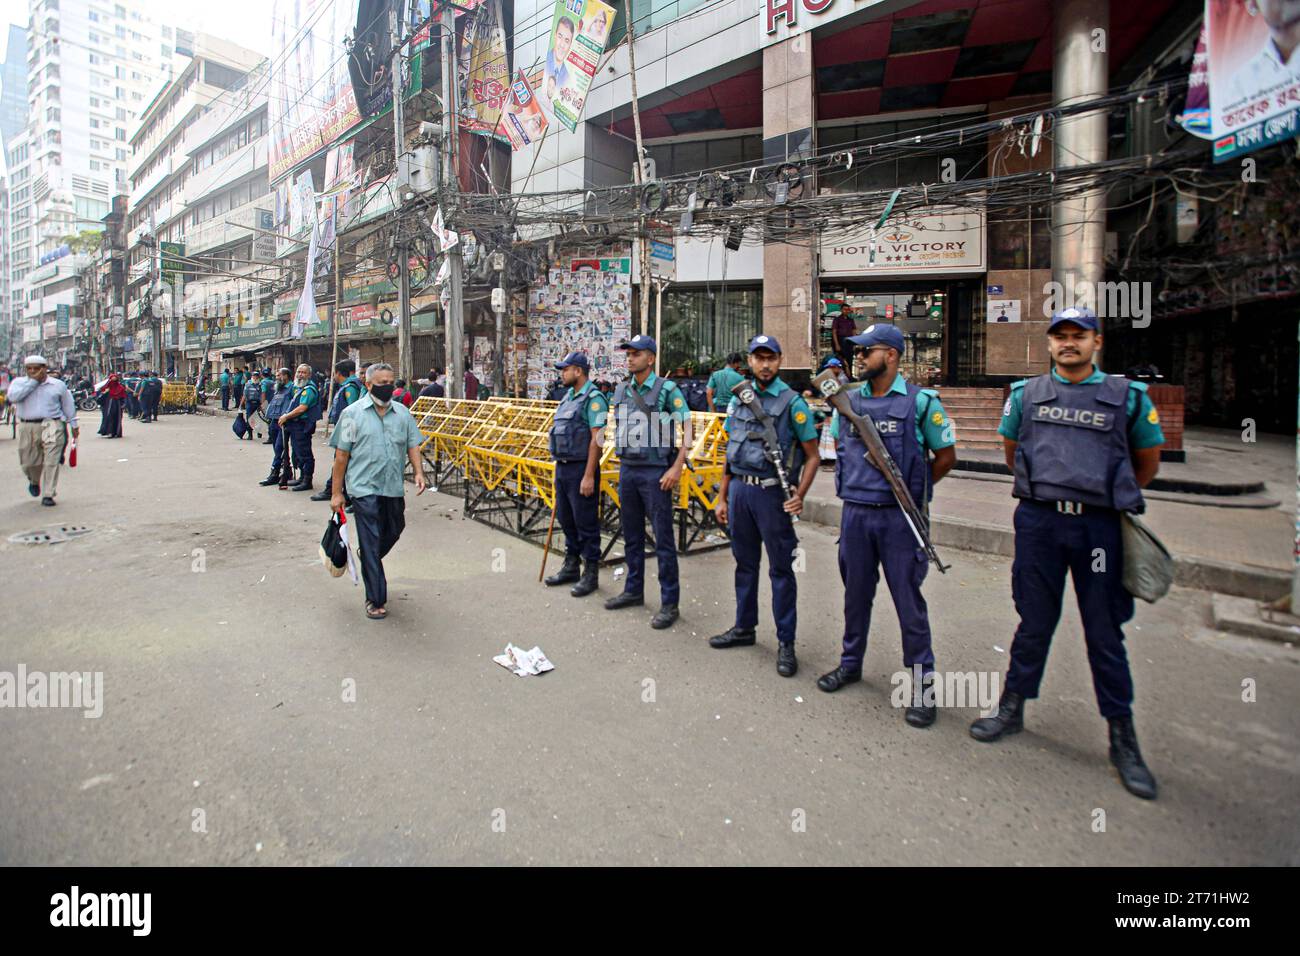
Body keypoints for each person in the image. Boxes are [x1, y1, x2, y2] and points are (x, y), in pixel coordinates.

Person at [971, 307, 1165, 800]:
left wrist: (1100, 497)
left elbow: (1146, 463)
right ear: (1051, 344)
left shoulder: (1129, 398)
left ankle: (1122, 737)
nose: (1069, 343)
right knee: (1034, 621)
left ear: (1096, 342)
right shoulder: (1026, 395)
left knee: (1103, 631)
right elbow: (1013, 451)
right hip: (1040, 521)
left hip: (1099, 528)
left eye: (1079, 335)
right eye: (1061, 336)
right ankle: (1012, 708)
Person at [816, 324, 957, 729]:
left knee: (909, 605)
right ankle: (850, 664)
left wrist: (910, 490)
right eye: (857, 351)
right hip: (857, 513)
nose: (858, 358)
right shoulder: (848, 400)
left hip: (899, 518)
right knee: (855, 597)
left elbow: (945, 457)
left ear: (891, 355)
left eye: (866, 351)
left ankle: (923, 687)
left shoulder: (921, 402)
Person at [708, 335, 821, 677]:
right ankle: (744, 627)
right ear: (750, 361)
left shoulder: (792, 403)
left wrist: (799, 494)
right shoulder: (740, 399)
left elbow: (813, 455)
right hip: (741, 490)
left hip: (773, 496)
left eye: (771, 358)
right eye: (759, 358)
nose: (765, 364)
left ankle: (786, 643)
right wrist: (722, 495)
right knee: (744, 564)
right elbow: (731, 451)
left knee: (781, 571)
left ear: (780, 360)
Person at [328, 362, 427, 620]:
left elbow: (412, 444)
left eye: (391, 382)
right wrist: (337, 493)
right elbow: (341, 455)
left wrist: (418, 471)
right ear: (369, 385)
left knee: (395, 528)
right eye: (382, 383)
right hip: (363, 488)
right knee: (370, 539)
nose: (388, 388)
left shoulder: (403, 413)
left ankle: (369, 554)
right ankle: (375, 599)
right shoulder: (352, 415)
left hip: (392, 486)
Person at [605, 335, 690, 629]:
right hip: (628, 469)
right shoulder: (621, 390)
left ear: (650, 358)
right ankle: (633, 590)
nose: (630, 358)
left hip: (656, 473)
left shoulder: (666, 389)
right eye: (628, 354)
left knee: (663, 540)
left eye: (636, 354)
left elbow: (687, 427)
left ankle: (669, 603)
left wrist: (677, 467)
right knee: (631, 535)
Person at [544, 352, 610, 598]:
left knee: (586, 523)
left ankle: (590, 572)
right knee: (566, 518)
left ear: (578, 371)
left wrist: (589, 475)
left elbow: (598, 439)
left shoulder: (594, 399)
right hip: (563, 467)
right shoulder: (567, 398)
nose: (562, 373)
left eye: (566, 369)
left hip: (582, 468)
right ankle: (571, 566)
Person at [7, 355, 79, 507]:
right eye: (29, 369)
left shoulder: (57, 385)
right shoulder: (19, 383)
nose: (33, 371)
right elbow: (13, 397)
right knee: (29, 462)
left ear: (45, 368)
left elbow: (68, 405)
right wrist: (33, 382)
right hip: (28, 425)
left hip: (51, 424)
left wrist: (73, 425)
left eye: (37, 368)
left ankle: (48, 494)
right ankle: (34, 481)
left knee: (51, 460)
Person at [311, 360, 365, 502]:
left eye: (334, 373)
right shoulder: (346, 386)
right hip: (344, 428)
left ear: (339, 373)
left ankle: (338, 491)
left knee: (341, 460)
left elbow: (353, 410)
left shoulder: (350, 387)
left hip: (348, 429)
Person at [278, 364, 321, 491]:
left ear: (309, 375)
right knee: (297, 452)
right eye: (298, 372)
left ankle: (307, 480)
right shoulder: (297, 387)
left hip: (303, 424)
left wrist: (286, 416)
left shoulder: (309, 389)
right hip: (295, 424)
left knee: (304, 452)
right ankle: (302, 478)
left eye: (303, 372)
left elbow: (302, 408)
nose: (300, 374)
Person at [260, 368, 294, 485]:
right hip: (273, 420)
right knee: (276, 447)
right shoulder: (278, 388)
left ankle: (274, 473)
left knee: (280, 447)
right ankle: (287, 470)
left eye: (279, 375)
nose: (277, 377)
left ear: (286, 376)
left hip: (283, 421)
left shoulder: (292, 388)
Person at [96, 373, 127, 439]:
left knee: (117, 418)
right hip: (108, 405)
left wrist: (123, 405)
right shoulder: (106, 387)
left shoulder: (120, 387)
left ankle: (116, 432)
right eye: (111, 380)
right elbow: (100, 396)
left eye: (114, 380)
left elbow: (123, 396)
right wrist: (105, 392)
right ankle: (110, 432)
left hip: (117, 404)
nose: (113, 382)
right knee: (109, 417)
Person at [239, 371, 263, 440]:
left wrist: (262, 404)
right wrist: (241, 404)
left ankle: (259, 432)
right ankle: (250, 435)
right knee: (249, 419)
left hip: (258, 403)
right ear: (252, 376)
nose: (255, 377)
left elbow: (263, 395)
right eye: (254, 376)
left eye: (256, 376)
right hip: (249, 403)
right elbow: (244, 395)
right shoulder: (248, 384)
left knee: (258, 418)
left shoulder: (260, 384)